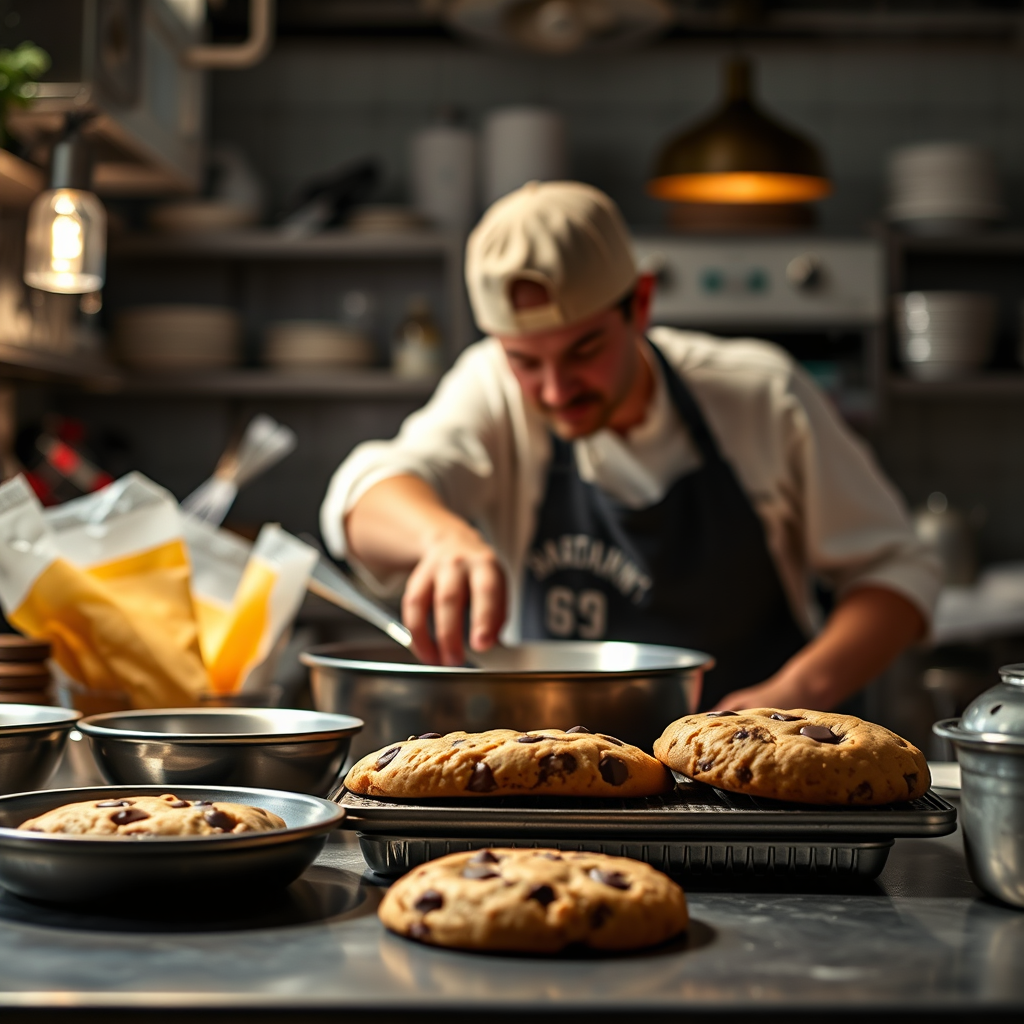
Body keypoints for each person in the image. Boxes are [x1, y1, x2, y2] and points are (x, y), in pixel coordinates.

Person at [321, 181, 940, 712]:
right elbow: (362, 495)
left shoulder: (759, 396)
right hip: (551, 774)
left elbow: (898, 572)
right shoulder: (491, 386)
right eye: (525, 361)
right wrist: (442, 537)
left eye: (583, 351)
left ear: (640, 306)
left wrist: (796, 692)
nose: (555, 389)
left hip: (744, 780)